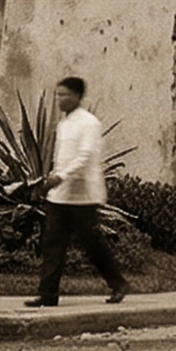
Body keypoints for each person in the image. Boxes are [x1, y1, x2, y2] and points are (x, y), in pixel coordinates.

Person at [27, 76, 128, 308]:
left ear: (78, 97)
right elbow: (59, 158)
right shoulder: (63, 125)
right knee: (53, 243)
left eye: (65, 95)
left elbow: (84, 157)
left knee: (92, 243)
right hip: (60, 196)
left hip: (84, 196)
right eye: (58, 94)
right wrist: (51, 180)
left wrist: (60, 177)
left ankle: (118, 283)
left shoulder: (89, 124)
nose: (60, 99)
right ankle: (47, 294)